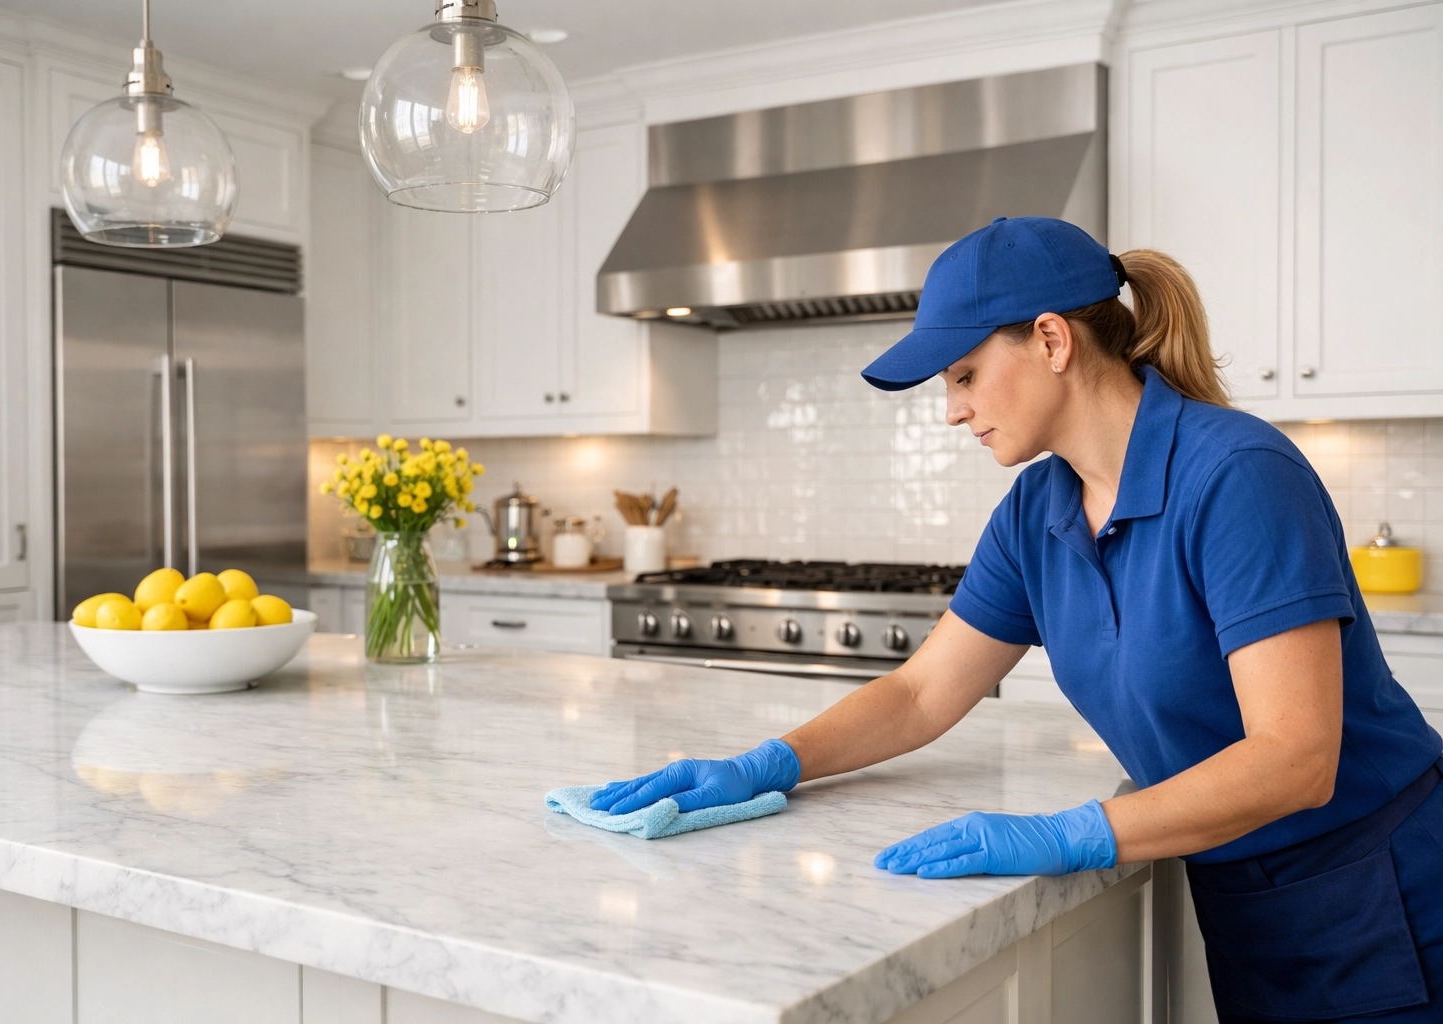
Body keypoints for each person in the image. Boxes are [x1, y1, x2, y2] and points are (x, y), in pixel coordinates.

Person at [591, 216, 1443, 1022]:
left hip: (1385, 892)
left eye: (962, 374)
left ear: (1051, 340)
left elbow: (1296, 759)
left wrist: (1073, 833)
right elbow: (925, 693)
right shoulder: (1038, 510)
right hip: (1247, 896)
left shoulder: (1239, 477)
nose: (952, 408)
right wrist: (769, 765)